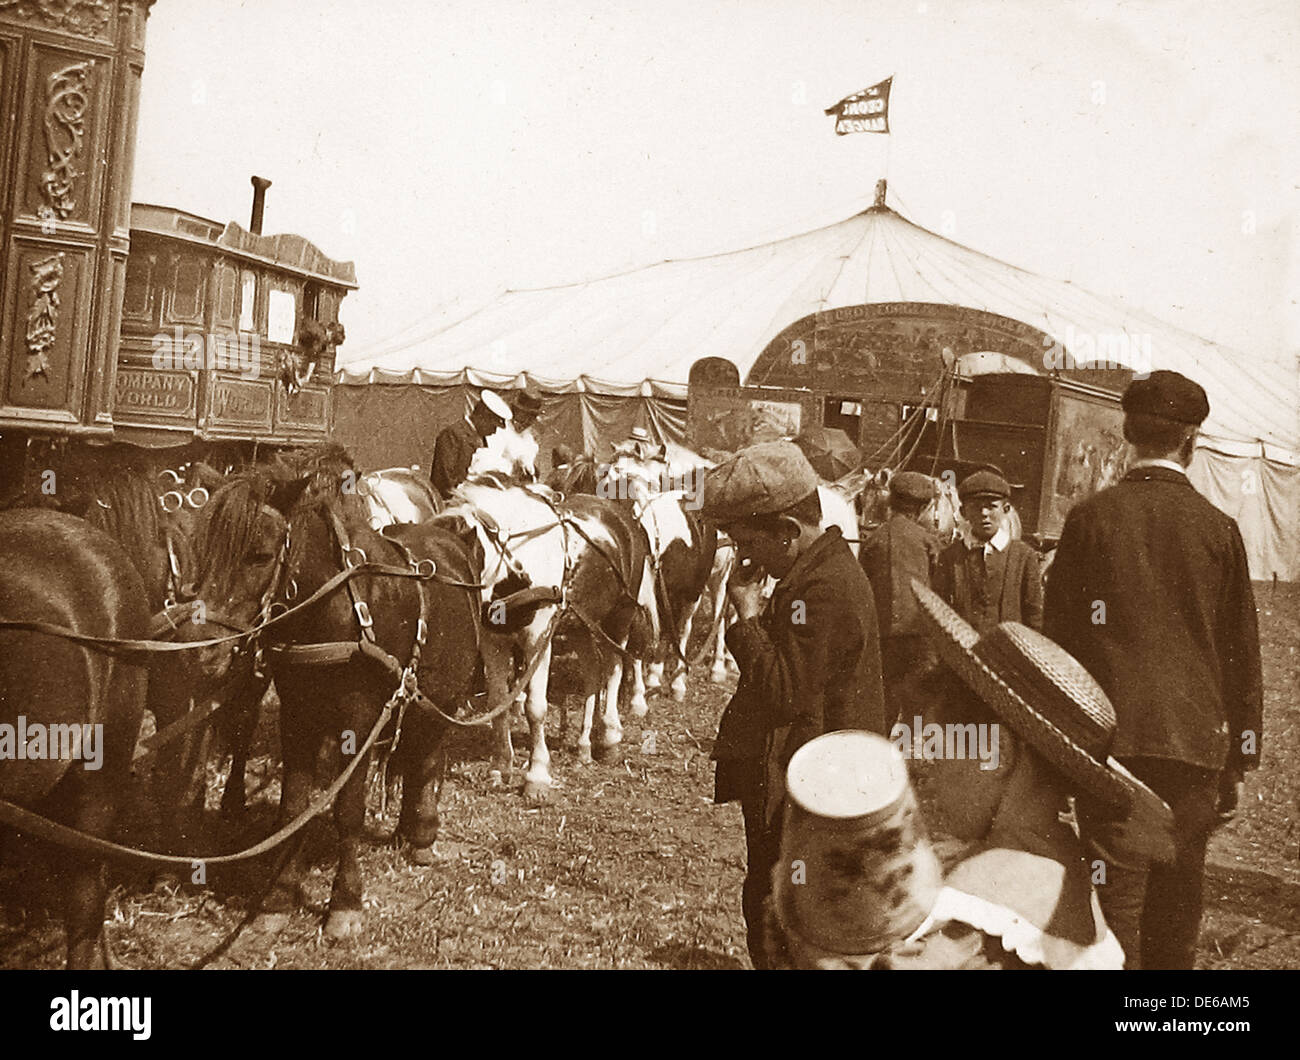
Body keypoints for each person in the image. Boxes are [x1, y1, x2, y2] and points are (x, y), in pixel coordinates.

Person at [765, 582, 1174, 970]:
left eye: (935, 746)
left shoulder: (986, 898)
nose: (914, 764)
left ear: (1001, 755)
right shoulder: (1052, 867)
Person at [1044, 369, 1263, 970]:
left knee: (1114, 902)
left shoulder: (1090, 519)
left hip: (1110, 747)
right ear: (1191, 440)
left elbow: (1057, 645)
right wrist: (1239, 757)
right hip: (1195, 750)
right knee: (1177, 897)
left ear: (1125, 432)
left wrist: (1057, 754)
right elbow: (1241, 651)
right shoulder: (1220, 530)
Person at [699, 440, 886, 969]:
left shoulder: (822, 588)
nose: (744, 557)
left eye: (748, 541)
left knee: (776, 903)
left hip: (812, 784)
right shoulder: (818, 571)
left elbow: (785, 693)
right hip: (808, 775)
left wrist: (747, 616)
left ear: (787, 530)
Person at [859, 470, 942, 728]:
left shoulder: (873, 540)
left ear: (890, 501)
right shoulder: (928, 541)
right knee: (919, 706)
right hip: (918, 637)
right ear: (923, 507)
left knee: (882, 704)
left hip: (881, 636)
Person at [933, 468, 1042, 633]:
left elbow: (1034, 615)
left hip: (1009, 653)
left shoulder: (1024, 556)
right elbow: (938, 611)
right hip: (963, 652)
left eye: (991, 507)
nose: (984, 513)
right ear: (963, 513)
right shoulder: (950, 556)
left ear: (1006, 510)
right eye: (976, 507)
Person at [429, 390, 511, 498]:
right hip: (450, 500)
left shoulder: (480, 438)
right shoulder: (453, 434)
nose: (494, 432)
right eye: (493, 426)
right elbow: (444, 478)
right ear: (482, 418)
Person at [469, 387, 544, 483]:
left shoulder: (528, 436)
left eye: (533, 417)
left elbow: (529, 460)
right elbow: (486, 462)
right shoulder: (500, 430)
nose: (528, 420)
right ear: (516, 410)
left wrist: (528, 467)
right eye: (526, 415)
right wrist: (512, 467)